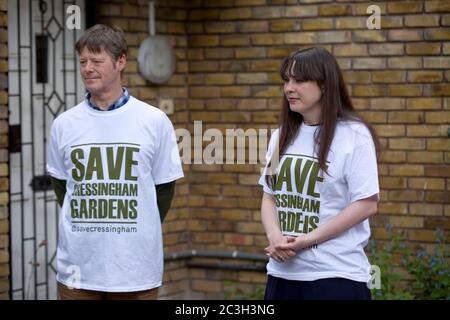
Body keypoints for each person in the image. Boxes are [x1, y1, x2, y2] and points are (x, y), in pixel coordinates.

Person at [47, 24, 184, 300]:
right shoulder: (64, 124)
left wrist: (133, 226)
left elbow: (163, 190)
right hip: (78, 270)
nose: (87, 68)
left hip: (135, 270)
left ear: (120, 61)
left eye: (96, 61)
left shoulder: (153, 120)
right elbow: (62, 186)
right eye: (83, 61)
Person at [259, 47, 380, 300]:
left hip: (336, 277)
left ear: (324, 85)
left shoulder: (354, 135)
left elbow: (366, 204)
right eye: (287, 80)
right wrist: (275, 238)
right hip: (283, 275)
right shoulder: (279, 136)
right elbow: (269, 196)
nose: (289, 88)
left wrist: (306, 240)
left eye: (300, 80)